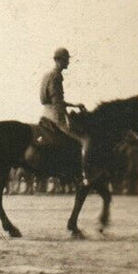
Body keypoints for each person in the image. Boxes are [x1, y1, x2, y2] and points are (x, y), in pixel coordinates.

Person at [40, 47, 92, 186]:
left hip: (46, 113)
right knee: (85, 140)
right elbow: (57, 102)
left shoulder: (47, 75)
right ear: (60, 60)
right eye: (66, 59)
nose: (68, 62)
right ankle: (85, 175)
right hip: (55, 115)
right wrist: (67, 117)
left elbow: (50, 99)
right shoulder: (56, 76)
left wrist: (73, 105)